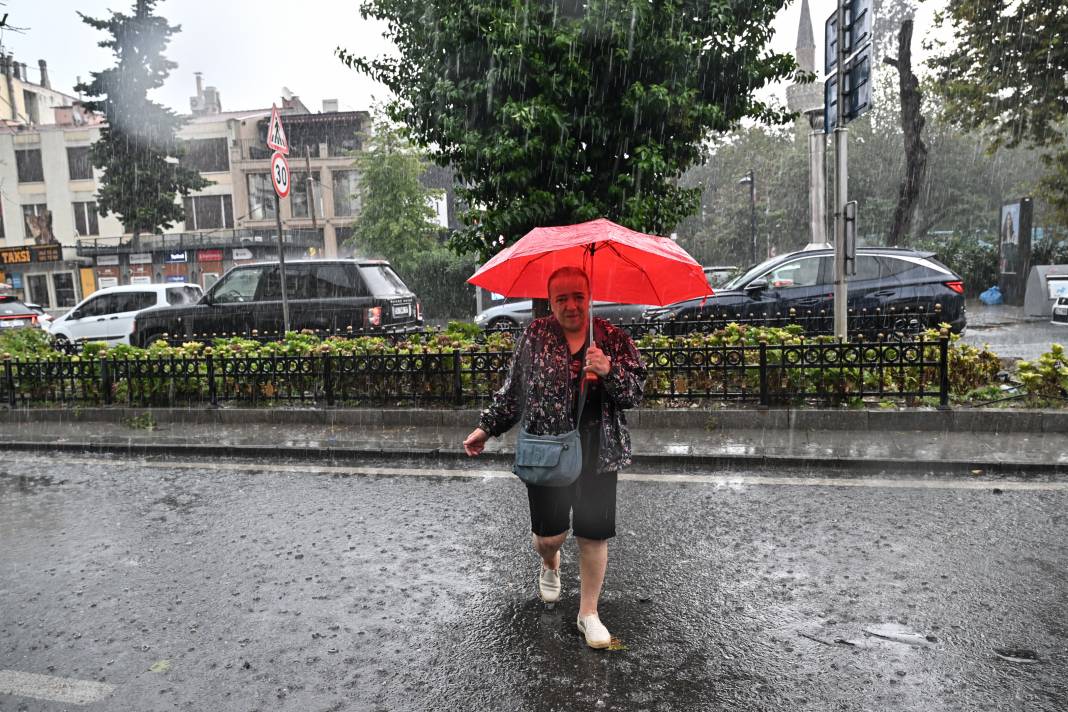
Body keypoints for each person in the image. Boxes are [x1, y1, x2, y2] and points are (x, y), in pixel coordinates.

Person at [462, 266, 646, 649]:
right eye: (562, 298)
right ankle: (549, 562)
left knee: (593, 535)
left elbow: (634, 394)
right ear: (550, 301)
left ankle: (588, 613)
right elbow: (515, 392)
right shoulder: (535, 335)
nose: (571, 305)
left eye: (578, 296)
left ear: (589, 296)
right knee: (550, 537)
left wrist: (609, 371)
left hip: (598, 452)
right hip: (546, 452)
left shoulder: (612, 338)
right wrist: (486, 428)